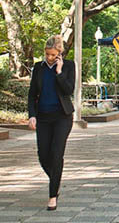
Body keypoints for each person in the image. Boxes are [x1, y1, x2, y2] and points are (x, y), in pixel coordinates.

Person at [28, 35, 75, 211]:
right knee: (43, 156)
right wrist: (32, 115)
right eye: (47, 54)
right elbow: (32, 94)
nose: (49, 57)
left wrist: (60, 72)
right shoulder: (38, 68)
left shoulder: (69, 66)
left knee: (56, 155)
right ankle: (56, 178)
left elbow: (69, 89)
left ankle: (52, 195)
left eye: (53, 55)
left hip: (62, 117)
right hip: (44, 118)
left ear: (60, 53)